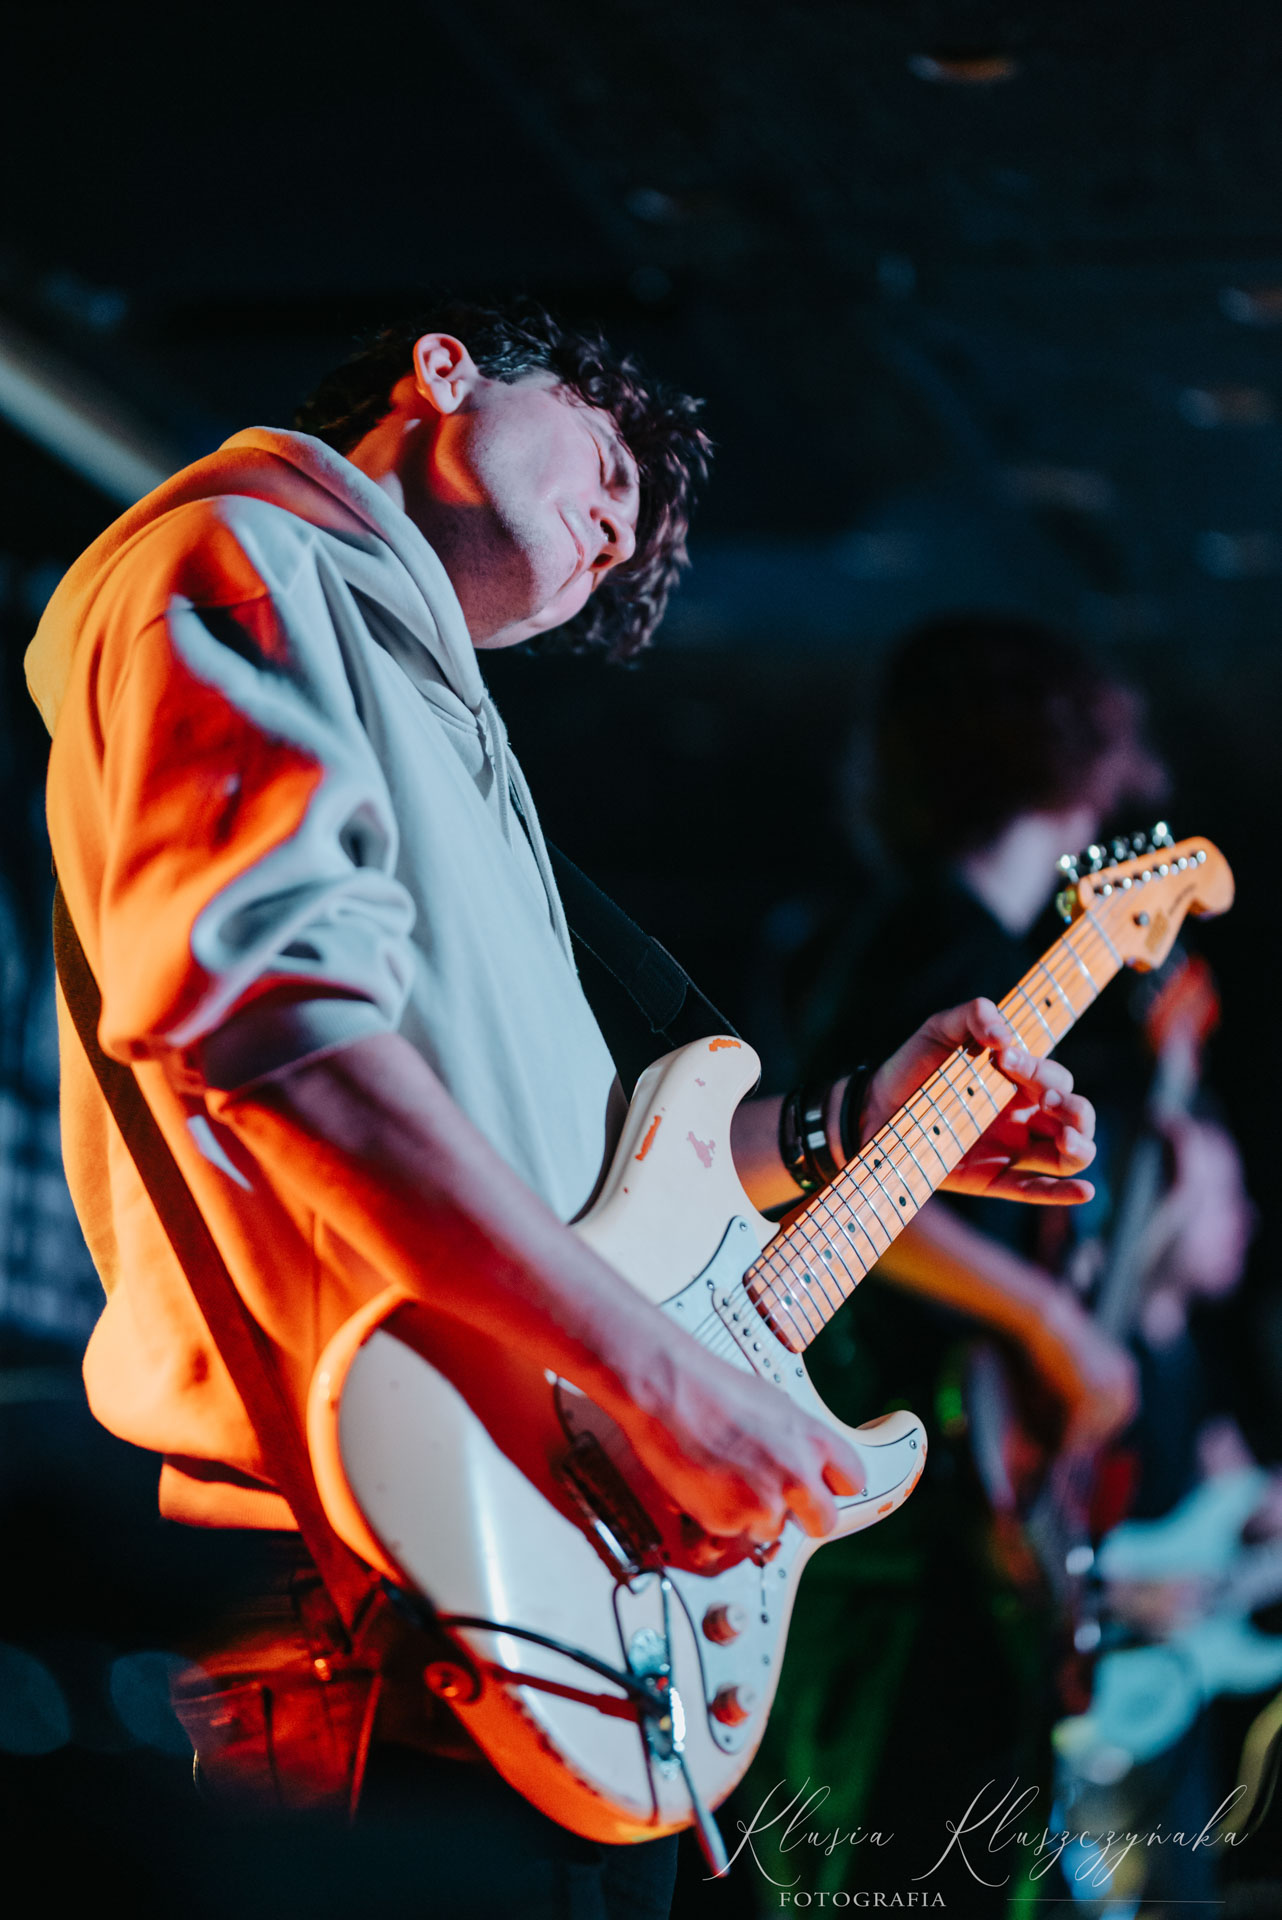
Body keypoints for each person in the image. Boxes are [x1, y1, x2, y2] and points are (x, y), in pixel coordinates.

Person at [25, 309, 1098, 1919]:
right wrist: (657, 1378)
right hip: (389, 1556)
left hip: (529, 1556)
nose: (617, 531)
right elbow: (276, 1037)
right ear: (442, 371)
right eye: (605, 462)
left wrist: (847, 1127)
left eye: (627, 543)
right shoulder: (246, 559)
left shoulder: (436, 716)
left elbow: (595, 1176)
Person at [742, 615, 1174, 1911]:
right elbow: (855, 1201)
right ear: (1073, 747)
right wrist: (1054, 1326)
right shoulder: (942, 945)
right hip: (899, 1512)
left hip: (933, 1504)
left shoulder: (923, 936)